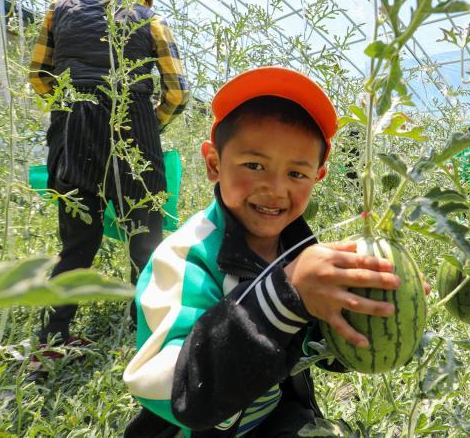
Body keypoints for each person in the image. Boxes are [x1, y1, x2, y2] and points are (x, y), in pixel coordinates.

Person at [123, 67, 400, 437]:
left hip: (273, 417)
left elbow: (309, 345)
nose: (275, 188)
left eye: (296, 174)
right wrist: (285, 296)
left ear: (317, 177)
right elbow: (177, 389)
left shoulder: (298, 250)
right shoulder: (184, 259)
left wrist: (367, 321)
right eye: (254, 165)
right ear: (214, 164)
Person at [28, 0, 189, 361]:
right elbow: (178, 92)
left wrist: (70, 106)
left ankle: (52, 339)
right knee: (145, 240)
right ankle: (146, 333)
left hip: (74, 129)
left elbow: (38, 76)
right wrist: (152, 123)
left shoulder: (59, 9)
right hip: (134, 130)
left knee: (77, 243)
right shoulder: (151, 20)